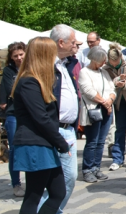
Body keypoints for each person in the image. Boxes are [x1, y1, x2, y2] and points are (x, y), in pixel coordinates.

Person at [11, 37, 70, 214]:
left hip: (44, 143)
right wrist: (61, 142)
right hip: (34, 144)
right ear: (43, 56)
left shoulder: (37, 81)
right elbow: (41, 118)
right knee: (33, 196)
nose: (55, 59)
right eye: (52, 54)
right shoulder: (29, 81)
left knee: (58, 192)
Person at [39, 24, 80, 213]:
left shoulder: (65, 64)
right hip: (56, 131)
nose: (76, 46)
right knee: (57, 182)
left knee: (69, 178)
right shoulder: (46, 66)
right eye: (73, 42)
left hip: (68, 130)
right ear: (61, 42)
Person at [78, 46, 116, 183]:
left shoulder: (104, 73)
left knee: (101, 142)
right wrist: (105, 102)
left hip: (106, 111)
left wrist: (110, 100)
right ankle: (87, 169)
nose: (104, 63)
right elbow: (88, 91)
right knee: (92, 141)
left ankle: (96, 167)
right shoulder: (84, 72)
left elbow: (112, 88)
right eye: (102, 60)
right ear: (95, 59)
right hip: (94, 111)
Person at [104, 43, 126, 172]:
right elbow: (107, 81)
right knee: (119, 129)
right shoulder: (106, 66)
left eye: (116, 62)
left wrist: (124, 84)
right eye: (111, 62)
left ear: (120, 58)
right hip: (118, 101)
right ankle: (117, 159)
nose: (114, 65)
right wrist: (116, 82)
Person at [0, 42, 26, 197]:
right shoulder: (9, 70)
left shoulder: (30, 67)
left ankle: (33, 181)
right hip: (13, 114)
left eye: (21, 54)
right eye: (15, 56)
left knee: (30, 147)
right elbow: (10, 89)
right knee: (14, 149)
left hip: (29, 114)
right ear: (11, 57)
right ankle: (16, 183)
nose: (19, 58)